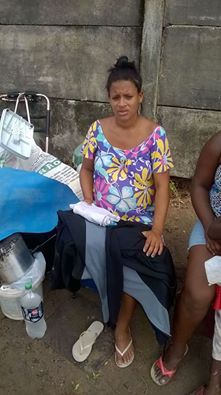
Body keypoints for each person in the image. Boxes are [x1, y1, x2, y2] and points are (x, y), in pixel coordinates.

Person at [79, 56, 174, 368]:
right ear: (109, 98)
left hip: (139, 221)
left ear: (140, 97)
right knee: (74, 240)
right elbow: (86, 168)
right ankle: (111, 308)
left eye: (128, 97)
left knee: (137, 261)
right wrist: (90, 202)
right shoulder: (97, 129)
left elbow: (162, 187)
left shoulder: (155, 136)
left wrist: (157, 230)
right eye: (115, 97)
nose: (121, 104)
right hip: (102, 217)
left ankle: (120, 326)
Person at [150, 131, 221, 394]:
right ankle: (178, 347)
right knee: (197, 293)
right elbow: (200, 185)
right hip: (212, 226)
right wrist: (210, 224)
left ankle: (216, 379)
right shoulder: (218, 143)